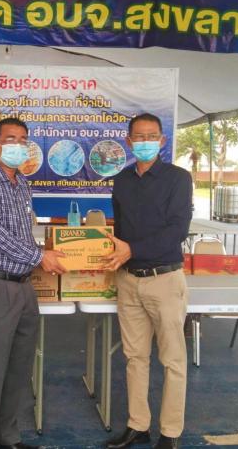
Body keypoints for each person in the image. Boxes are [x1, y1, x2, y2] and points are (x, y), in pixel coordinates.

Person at [0, 117, 66, 449]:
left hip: (23, 285)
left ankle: (8, 437)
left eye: (23, 140)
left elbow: (21, 234)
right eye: (11, 139)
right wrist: (39, 257)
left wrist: (43, 253)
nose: (18, 146)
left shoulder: (21, 183)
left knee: (18, 367)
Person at [103, 113, 193, 449]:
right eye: (138, 137)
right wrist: (114, 256)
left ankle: (170, 433)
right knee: (135, 357)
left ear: (162, 141)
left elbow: (177, 230)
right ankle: (137, 425)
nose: (144, 141)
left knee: (172, 360)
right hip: (128, 280)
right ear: (128, 141)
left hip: (164, 280)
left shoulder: (178, 179)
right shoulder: (122, 180)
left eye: (151, 136)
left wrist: (132, 250)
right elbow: (120, 230)